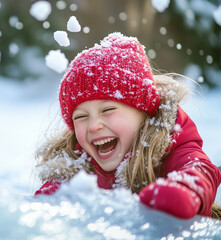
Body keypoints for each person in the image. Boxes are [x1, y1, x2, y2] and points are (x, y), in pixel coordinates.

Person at [34, 32, 221, 219]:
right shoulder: (77, 164)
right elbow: (57, 193)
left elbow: (200, 169)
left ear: (143, 111)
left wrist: (184, 192)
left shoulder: (173, 143)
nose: (93, 126)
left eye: (107, 110)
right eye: (81, 116)